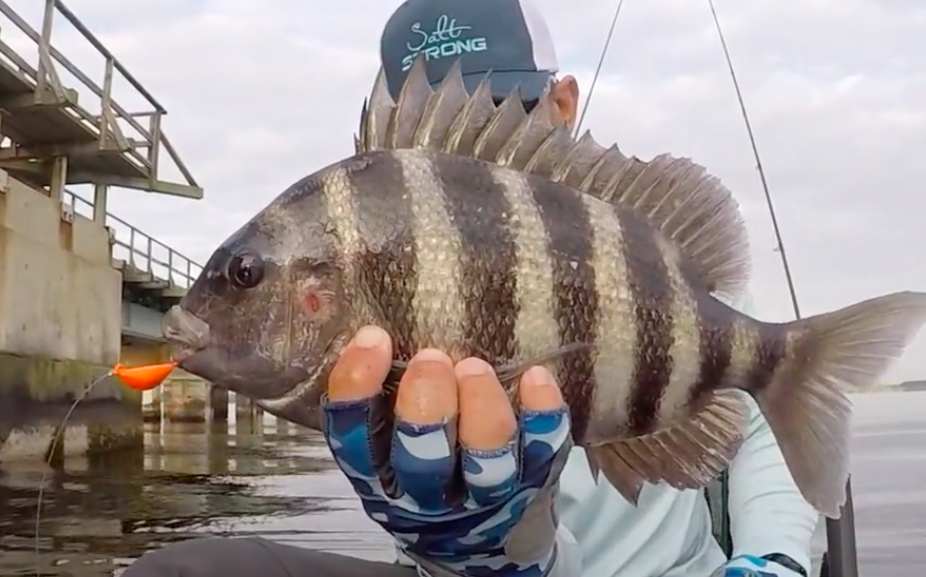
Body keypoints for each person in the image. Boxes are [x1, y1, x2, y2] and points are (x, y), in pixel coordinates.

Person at [121, 1, 818, 576]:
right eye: (435, 114)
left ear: (562, 100)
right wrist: (471, 550)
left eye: (498, 105)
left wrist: (773, 558)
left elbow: (758, 433)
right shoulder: (344, 282)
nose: (470, 141)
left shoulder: (653, 269)